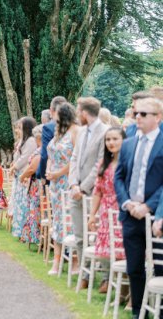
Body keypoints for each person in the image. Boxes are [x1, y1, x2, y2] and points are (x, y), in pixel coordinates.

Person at [117, 97, 163, 319]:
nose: (138, 117)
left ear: (158, 117)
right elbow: (119, 178)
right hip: (130, 214)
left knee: (160, 268)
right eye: (136, 113)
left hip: (156, 215)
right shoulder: (128, 144)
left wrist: (148, 206)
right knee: (134, 267)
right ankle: (139, 312)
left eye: (144, 114)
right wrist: (127, 202)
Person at [69, 97, 109, 289]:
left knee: (99, 234)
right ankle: (85, 274)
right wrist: (73, 184)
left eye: (78, 111)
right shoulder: (82, 131)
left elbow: (100, 163)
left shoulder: (105, 132)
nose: (77, 114)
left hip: (94, 192)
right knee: (79, 234)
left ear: (85, 113)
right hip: (76, 190)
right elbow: (75, 158)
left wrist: (84, 187)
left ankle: (105, 276)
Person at [87, 127, 126, 294]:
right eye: (108, 140)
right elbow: (97, 191)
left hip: (122, 210)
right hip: (105, 211)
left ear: (124, 140)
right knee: (106, 252)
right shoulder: (104, 163)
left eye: (115, 139)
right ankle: (110, 280)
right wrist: (92, 215)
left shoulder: (127, 162)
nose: (111, 142)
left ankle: (124, 289)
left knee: (122, 251)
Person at [46, 102, 80, 275]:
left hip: (67, 181)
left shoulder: (75, 131)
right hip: (55, 185)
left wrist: (58, 173)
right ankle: (57, 260)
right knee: (58, 222)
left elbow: (75, 159)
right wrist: (49, 170)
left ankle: (74, 261)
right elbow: (51, 154)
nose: (53, 116)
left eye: (56, 114)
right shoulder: (59, 132)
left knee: (70, 222)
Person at [10, 116, 37, 237]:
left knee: (23, 202)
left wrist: (14, 167)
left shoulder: (31, 141)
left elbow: (25, 157)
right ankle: (19, 229)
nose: (18, 130)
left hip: (24, 174)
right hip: (19, 173)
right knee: (18, 201)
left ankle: (24, 231)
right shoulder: (23, 140)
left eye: (20, 128)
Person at [19, 125, 43, 244]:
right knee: (33, 209)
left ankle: (36, 237)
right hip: (33, 183)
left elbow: (32, 168)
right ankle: (33, 235)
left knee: (35, 210)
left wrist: (22, 176)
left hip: (36, 184)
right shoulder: (40, 148)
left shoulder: (40, 150)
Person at [37, 96, 67, 181]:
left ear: (51, 109)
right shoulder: (75, 126)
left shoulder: (48, 127)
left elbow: (45, 155)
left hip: (54, 175)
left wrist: (43, 175)